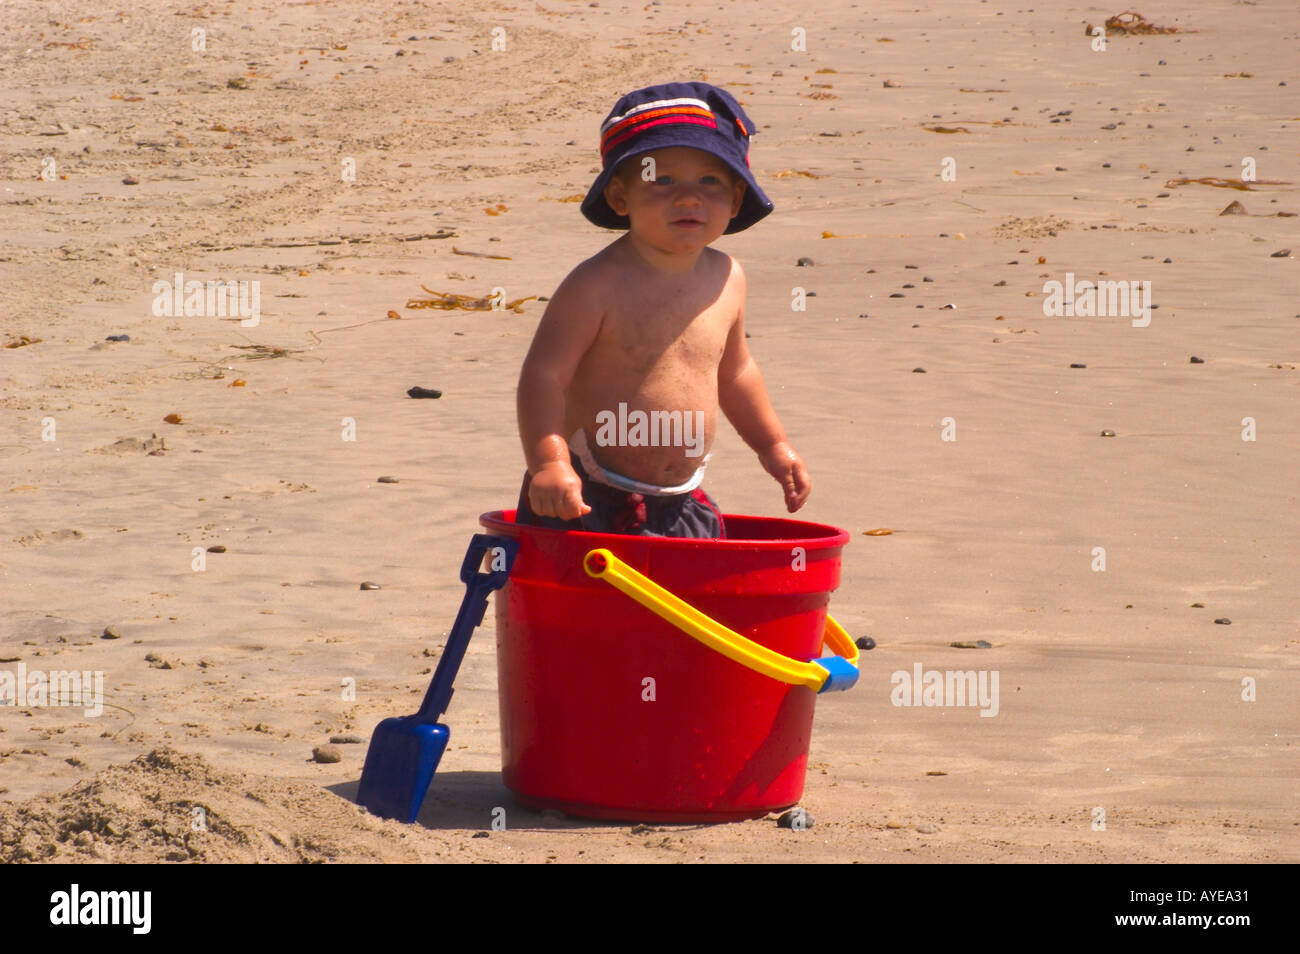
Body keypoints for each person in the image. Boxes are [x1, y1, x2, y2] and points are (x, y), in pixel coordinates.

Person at [515, 82, 810, 537]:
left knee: (688, 606)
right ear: (619, 198)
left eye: (709, 181)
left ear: (735, 200)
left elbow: (735, 373)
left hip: (681, 499)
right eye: (662, 179)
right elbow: (544, 376)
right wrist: (549, 464)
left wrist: (773, 445)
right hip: (586, 495)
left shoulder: (728, 278)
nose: (688, 197)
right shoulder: (596, 285)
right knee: (576, 607)